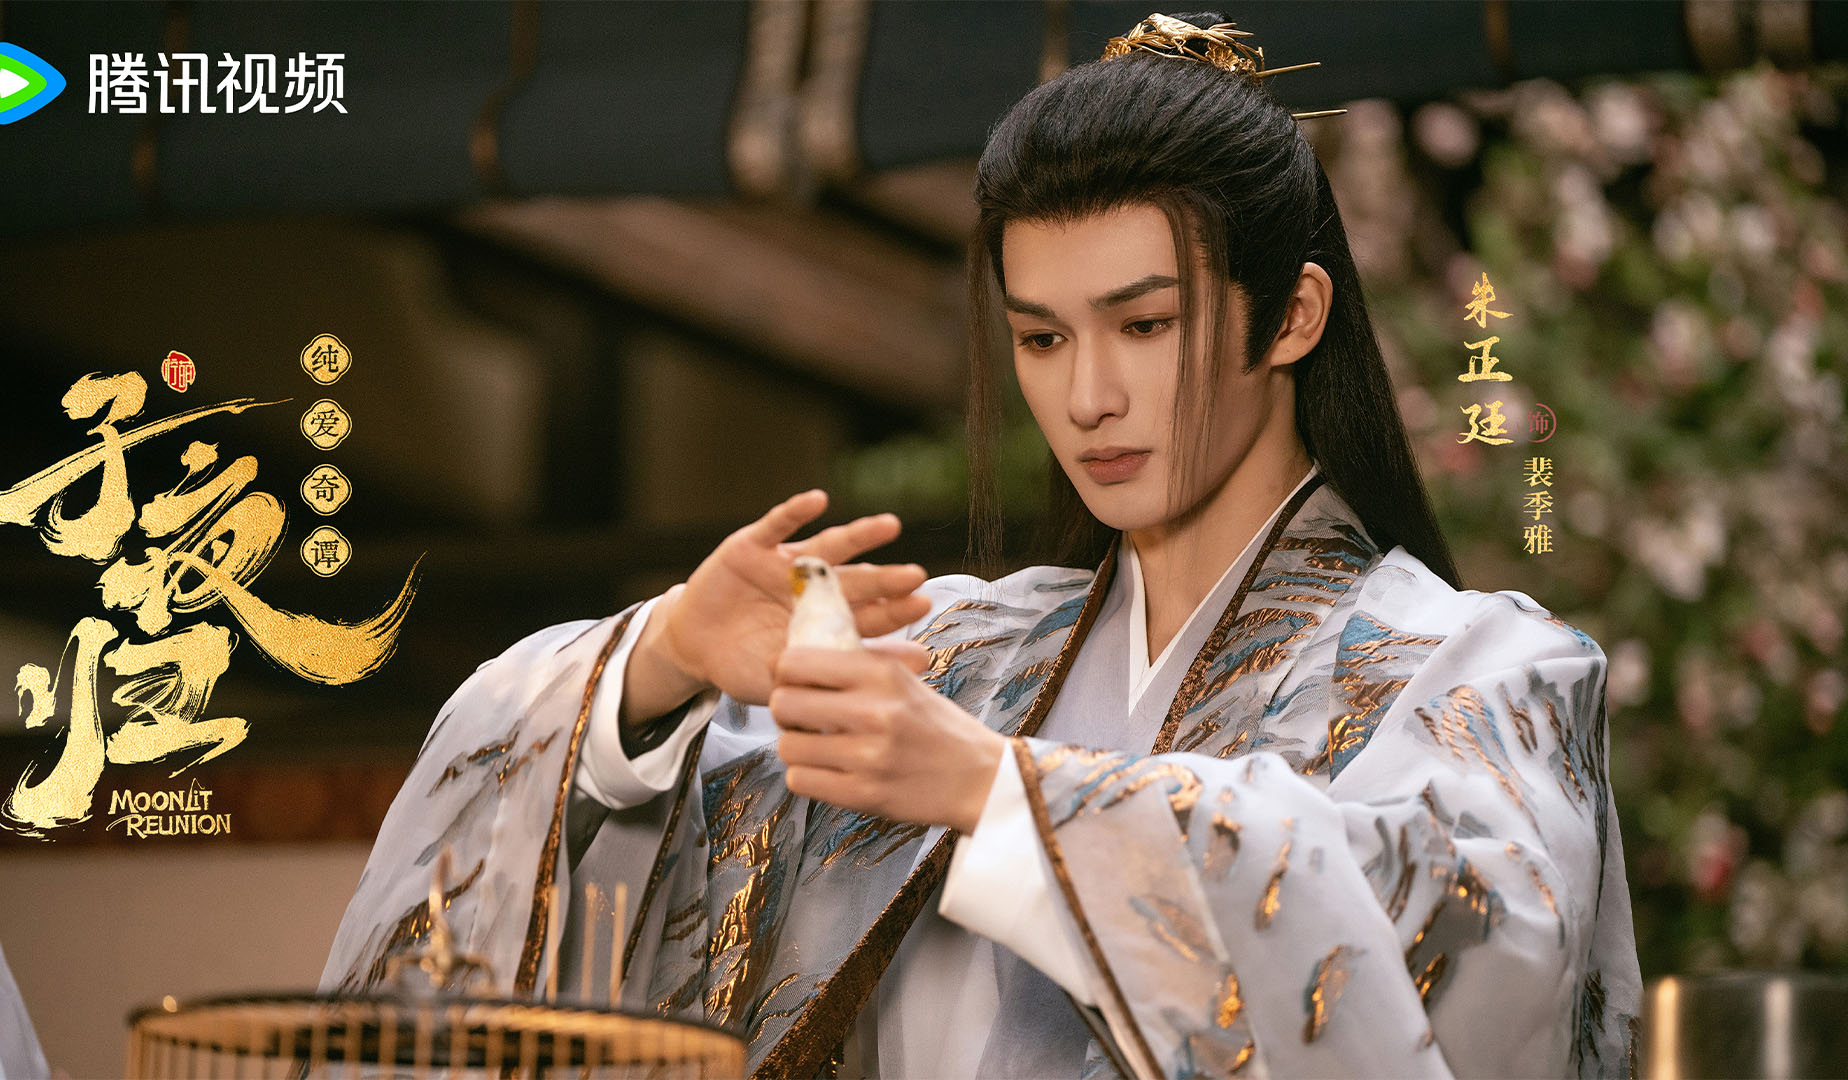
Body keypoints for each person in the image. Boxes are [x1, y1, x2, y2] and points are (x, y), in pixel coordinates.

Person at [323, 11, 1641, 1078]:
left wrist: (998, 795)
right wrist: (662, 660)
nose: (1087, 398)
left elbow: (1451, 960)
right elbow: (589, 897)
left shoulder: (1477, 673)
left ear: (1291, 316)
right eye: (1041, 338)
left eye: (1144, 325)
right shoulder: (954, 661)